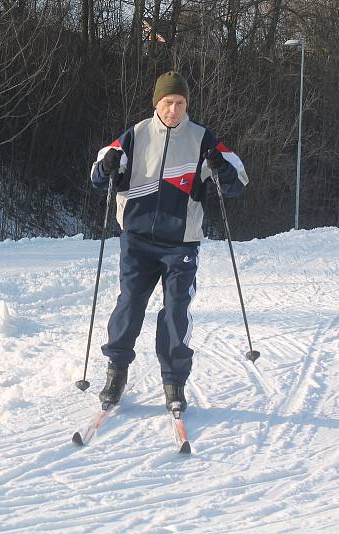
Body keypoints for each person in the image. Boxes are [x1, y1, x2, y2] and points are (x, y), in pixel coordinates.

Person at [89, 71, 249, 412]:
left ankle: (174, 383)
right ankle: (115, 373)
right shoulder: (135, 135)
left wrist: (221, 169)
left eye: (179, 103)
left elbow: (237, 183)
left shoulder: (203, 138)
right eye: (167, 103)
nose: (173, 110)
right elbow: (98, 175)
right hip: (137, 240)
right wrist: (107, 167)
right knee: (129, 304)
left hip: (181, 243)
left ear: (186, 104)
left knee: (176, 311)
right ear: (156, 103)